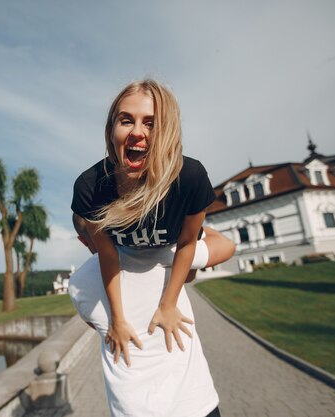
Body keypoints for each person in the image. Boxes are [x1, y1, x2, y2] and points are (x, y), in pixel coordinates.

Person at [69, 79, 235, 417]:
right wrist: (117, 319)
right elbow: (107, 253)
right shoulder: (90, 187)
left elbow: (188, 242)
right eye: (126, 119)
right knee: (212, 253)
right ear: (111, 128)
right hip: (133, 250)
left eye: (151, 122)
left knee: (216, 247)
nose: (137, 131)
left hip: (174, 243)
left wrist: (168, 303)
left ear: (168, 130)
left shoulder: (189, 176)